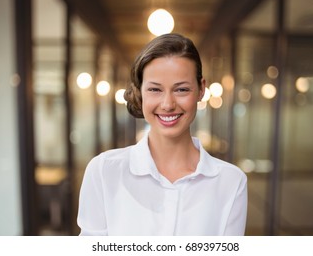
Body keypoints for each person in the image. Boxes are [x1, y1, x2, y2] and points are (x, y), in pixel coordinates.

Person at [77, 33, 247, 236]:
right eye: (155, 90)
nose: (168, 104)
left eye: (181, 89)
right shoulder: (104, 171)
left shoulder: (231, 182)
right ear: (140, 92)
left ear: (201, 89)